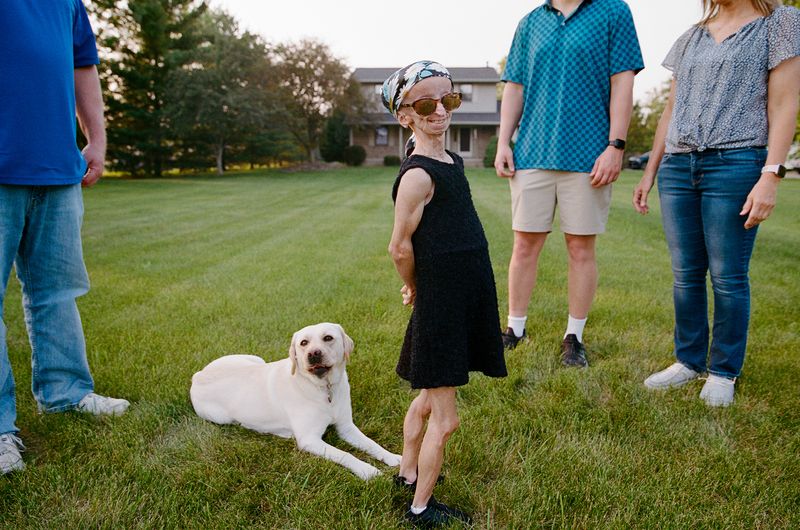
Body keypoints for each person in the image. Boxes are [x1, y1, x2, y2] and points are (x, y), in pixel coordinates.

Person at [632, 0, 800, 406]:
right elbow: (671, 109)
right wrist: (651, 170)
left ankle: (723, 371)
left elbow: (784, 104)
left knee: (727, 275)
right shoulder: (692, 34)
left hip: (737, 162)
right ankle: (688, 361)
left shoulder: (781, 22)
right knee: (686, 274)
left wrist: (770, 174)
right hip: (678, 165)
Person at [0, 0, 130, 474]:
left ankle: (67, 394)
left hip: (57, 169)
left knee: (57, 292)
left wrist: (96, 138)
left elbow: (83, 65)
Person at [384, 61, 507, 527]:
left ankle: (406, 472)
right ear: (405, 116)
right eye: (425, 104)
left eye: (448, 100)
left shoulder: (451, 161)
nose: (440, 110)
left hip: (465, 294)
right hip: (440, 302)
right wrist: (415, 286)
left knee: (425, 399)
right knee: (447, 418)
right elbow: (399, 246)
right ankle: (420, 509)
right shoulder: (417, 176)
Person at [495, 0, 644, 367]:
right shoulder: (530, 22)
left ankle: (573, 337)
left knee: (580, 248)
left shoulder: (613, 12)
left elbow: (622, 82)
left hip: (589, 155)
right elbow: (514, 87)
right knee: (524, 245)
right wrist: (503, 142)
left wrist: (615, 145)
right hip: (532, 152)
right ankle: (514, 329)